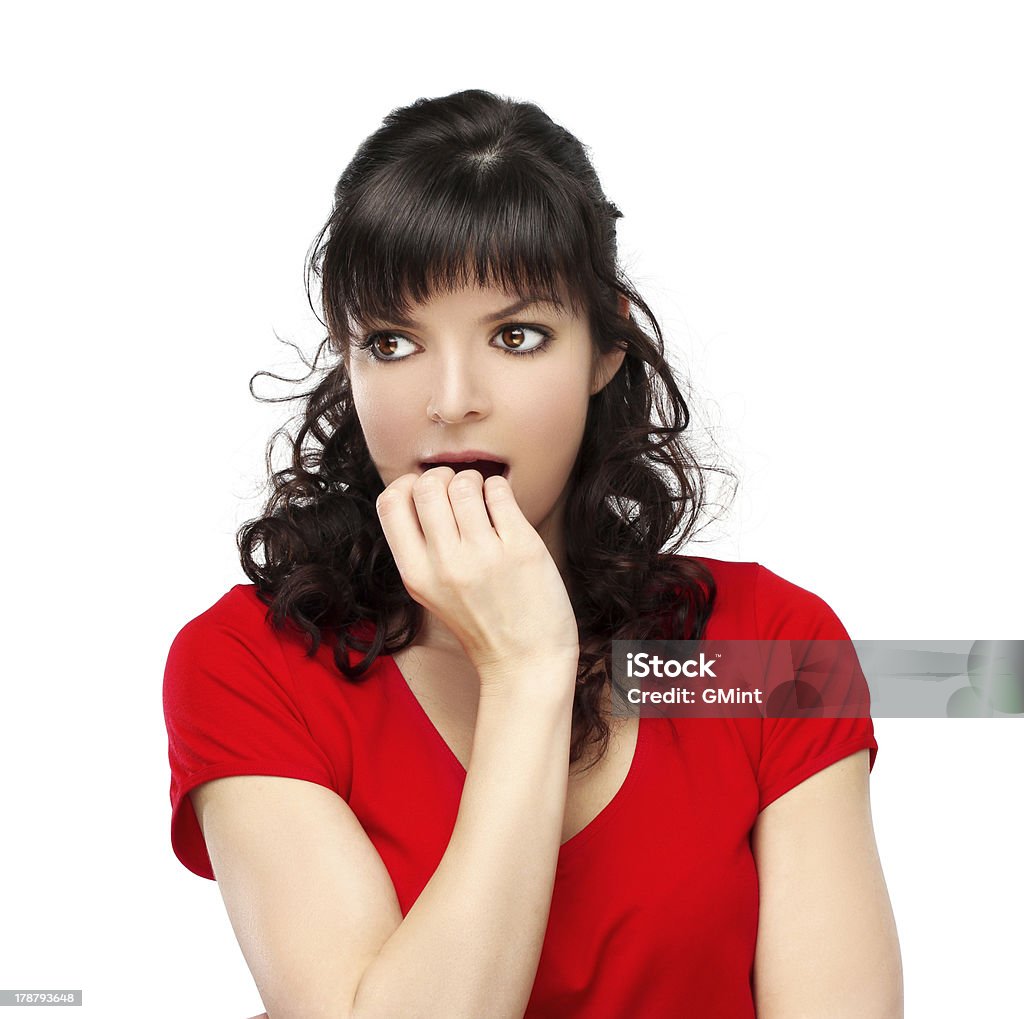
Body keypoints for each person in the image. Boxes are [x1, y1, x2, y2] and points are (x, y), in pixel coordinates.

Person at [163, 89, 903, 1018]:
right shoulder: (250, 667)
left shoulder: (772, 652)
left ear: (605, 345)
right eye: (392, 342)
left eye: (517, 336)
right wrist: (524, 669)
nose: (452, 399)